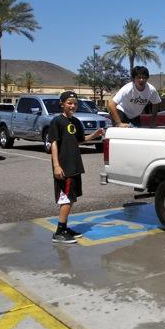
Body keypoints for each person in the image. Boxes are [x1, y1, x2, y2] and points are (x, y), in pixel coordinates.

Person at [50, 91, 105, 244]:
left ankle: (65, 228)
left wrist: (95, 134)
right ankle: (59, 232)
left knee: (72, 198)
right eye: (69, 103)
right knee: (66, 198)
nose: (72, 106)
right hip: (64, 166)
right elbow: (54, 143)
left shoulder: (75, 122)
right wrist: (56, 165)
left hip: (74, 166)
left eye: (74, 103)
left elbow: (80, 140)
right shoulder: (57, 121)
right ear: (62, 104)